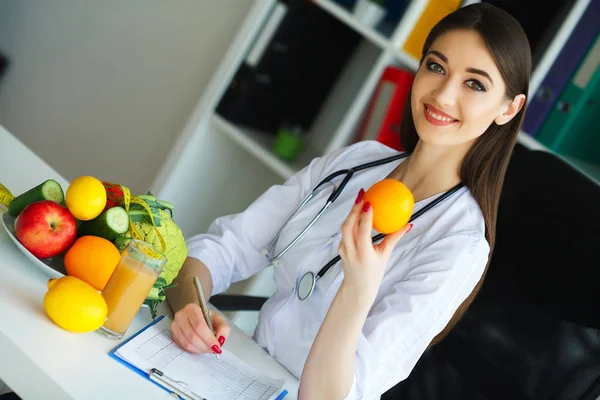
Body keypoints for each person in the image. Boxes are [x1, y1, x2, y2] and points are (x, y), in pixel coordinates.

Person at [165, 3, 531, 399]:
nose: (443, 95)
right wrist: (192, 308)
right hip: (235, 370)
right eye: (436, 67)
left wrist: (358, 289)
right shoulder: (356, 163)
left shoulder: (459, 243)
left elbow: (333, 395)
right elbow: (225, 247)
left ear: (508, 108)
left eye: (474, 84)